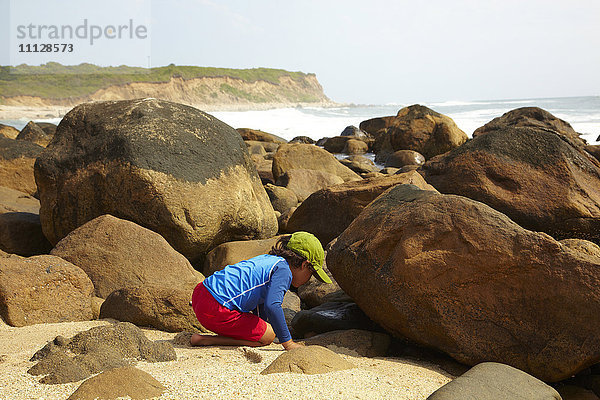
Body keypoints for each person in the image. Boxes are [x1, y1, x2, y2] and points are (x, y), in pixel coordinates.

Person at [190, 231, 332, 350]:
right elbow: (272, 305)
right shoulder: (284, 271)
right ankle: (207, 340)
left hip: (201, 293)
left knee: (265, 332)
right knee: (268, 336)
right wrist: (287, 342)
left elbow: (261, 302)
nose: (308, 280)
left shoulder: (269, 260)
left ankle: (211, 338)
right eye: (311, 274)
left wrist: (261, 326)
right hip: (215, 307)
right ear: (304, 265)